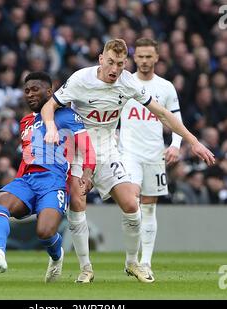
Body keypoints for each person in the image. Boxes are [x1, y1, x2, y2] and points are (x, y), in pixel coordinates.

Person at [41, 38, 215, 284]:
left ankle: (132, 263)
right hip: (78, 152)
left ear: (126, 64)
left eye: (120, 64)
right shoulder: (81, 79)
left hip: (108, 150)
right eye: (110, 62)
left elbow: (163, 113)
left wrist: (193, 141)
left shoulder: (128, 83)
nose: (114, 69)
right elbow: (49, 105)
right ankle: (85, 268)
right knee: (77, 203)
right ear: (101, 59)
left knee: (132, 206)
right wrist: (50, 127)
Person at [0, 72, 96, 283]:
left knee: (45, 232)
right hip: (27, 180)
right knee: (0, 203)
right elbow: (27, 157)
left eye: (35, 89)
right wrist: (16, 184)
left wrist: (87, 172)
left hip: (53, 182)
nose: (29, 94)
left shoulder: (67, 115)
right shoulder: (26, 121)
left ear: (50, 92)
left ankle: (57, 257)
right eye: (26, 91)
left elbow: (87, 148)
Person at [118, 38, 183, 277]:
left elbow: (175, 119)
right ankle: (131, 259)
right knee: (132, 203)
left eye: (149, 57)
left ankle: (145, 262)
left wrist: (175, 144)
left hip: (155, 154)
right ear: (134, 58)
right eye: (141, 56)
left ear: (157, 58)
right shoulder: (124, 82)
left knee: (149, 208)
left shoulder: (165, 87)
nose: (144, 61)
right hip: (129, 153)